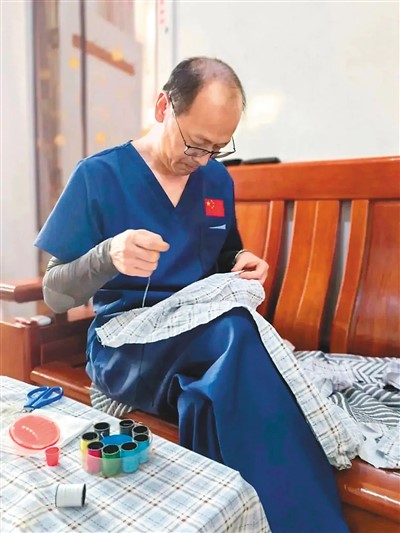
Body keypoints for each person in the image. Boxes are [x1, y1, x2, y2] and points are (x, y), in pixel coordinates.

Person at [35, 57, 348, 532]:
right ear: (163, 107)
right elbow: (55, 293)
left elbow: (224, 254)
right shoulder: (99, 176)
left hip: (204, 343)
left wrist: (244, 261)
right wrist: (107, 256)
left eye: (217, 149)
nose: (202, 160)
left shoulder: (216, 180)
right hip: (127, 345)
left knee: (209, 399)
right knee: (238, 335)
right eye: (196, 144)